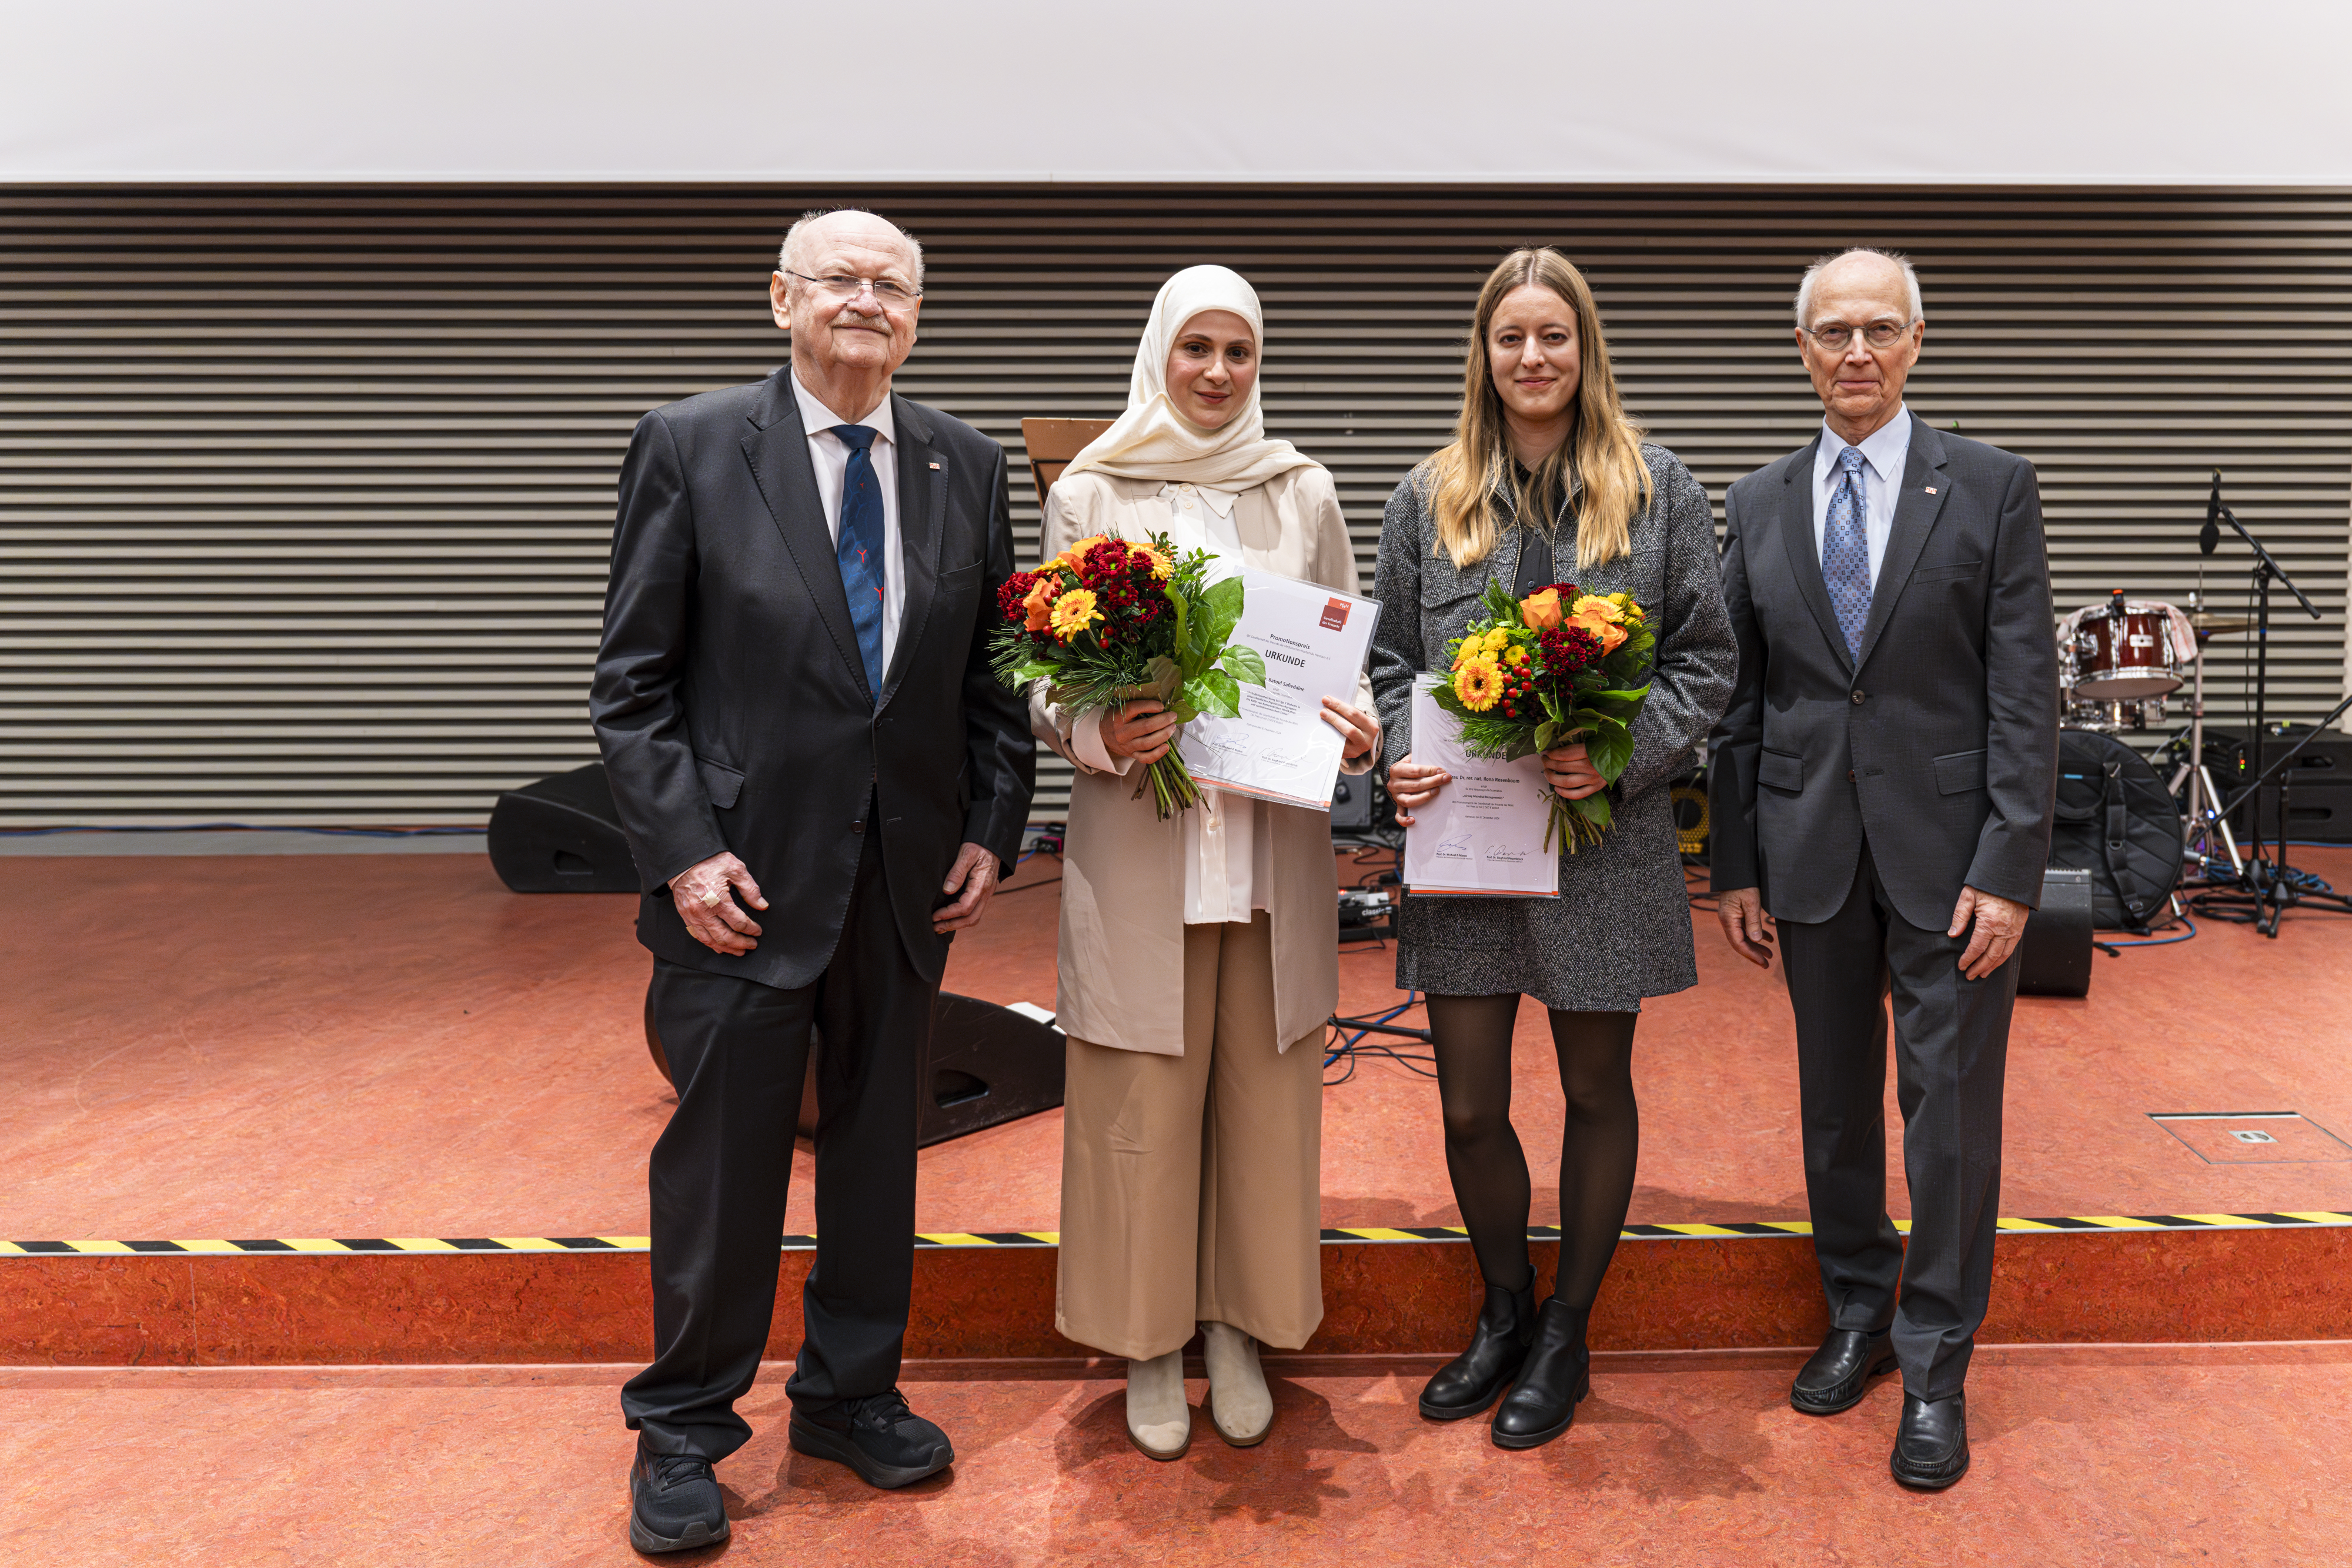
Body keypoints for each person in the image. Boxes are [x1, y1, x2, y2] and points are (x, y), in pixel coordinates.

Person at [592, 208, 1033, 1551]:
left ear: (917, 313)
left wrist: (992, 823)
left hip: (903, 879)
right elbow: (632, 687)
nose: (865, 302)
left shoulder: (960, 461)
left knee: (874, 1160)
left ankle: (850, 1392)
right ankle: (683, 1428)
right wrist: (683, 852)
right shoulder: (689, 445)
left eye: (891, 284)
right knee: (723, 1171)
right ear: (781, 296)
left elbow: (989, 679)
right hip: (741, 887)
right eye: (838, 278)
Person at [1369, 249, 1735, 1449]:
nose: (1532, 358)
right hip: (1464, 848)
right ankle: (1502, 1306)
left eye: (1553, 336)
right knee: (1470, 1105)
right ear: (1480, 354)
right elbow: (1383, 667)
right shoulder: (1426, 495)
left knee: (1592, 1088)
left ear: (1586, 350)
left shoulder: (1658, 487)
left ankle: (1568, 1327)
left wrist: (1623, 751)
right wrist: (1393, 749)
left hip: (1599, 840)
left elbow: (1705, 659)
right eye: (1509, 337)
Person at [1707, 248, 2057, 1490]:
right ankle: (1855, 1304)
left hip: (1952, 860)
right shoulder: (1751, 503)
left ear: (1916, 340)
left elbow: (2024, 693)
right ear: (1797, 349)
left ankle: (1933, 1358)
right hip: (1806, 851)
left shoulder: (1991, 487)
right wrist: (1733, 862)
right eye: (1829, 331)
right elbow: (1740, 702)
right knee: (1831, 1105)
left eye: (1877, 329)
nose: (1853, 351)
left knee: (1948, 1117)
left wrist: (2012, 863)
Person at [1034, 265, 1382, 1460]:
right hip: (1144, 844)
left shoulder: (1301, 488)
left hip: (1270, 848)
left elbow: (1344, 642)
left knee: (1261, 1095)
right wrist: (1095, 729)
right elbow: (1039, 669)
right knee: (1138, 1102)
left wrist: (1358, 723)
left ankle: (1236, 1327)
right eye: (1197, 349)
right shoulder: (1092, 489)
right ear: (1158, 355)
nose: (1219, 371)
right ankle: (1143, 1340)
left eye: (1239, 351)